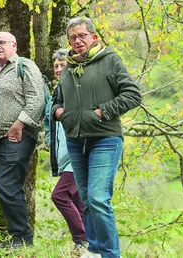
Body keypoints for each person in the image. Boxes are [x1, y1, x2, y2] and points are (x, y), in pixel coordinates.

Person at [52, 17, 142, 258]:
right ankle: (94, 251)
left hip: (105, 138)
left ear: (93, 37)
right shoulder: (68, 67)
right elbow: (57, 100)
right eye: (73, 37)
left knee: (99, 198)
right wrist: (59, 112)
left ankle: (111, 254)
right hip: (76, 139)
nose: (77, 40)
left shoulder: (109, 60)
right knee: (86, 200)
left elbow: (133, 95)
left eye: (82, 35)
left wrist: (102, 112)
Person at [0, 32, 47, 248]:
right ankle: (15, 236)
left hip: (18, 136)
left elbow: (36, 99)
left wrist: (19, 124)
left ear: (14, 44)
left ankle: (22, 238)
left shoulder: (25, 65)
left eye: (2, 42)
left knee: (8, 185)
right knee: (5, 187)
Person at [45, 49, 87, 253]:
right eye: (56, 66)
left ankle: (80, 240)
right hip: (64, 156)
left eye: (63, 65)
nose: (59, 69)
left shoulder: (78, 88)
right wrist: (48, 140)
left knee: (60, 195)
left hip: (78, 153)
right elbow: (49, 124)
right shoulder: (56, 92)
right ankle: (88, 243)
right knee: (78, 202)